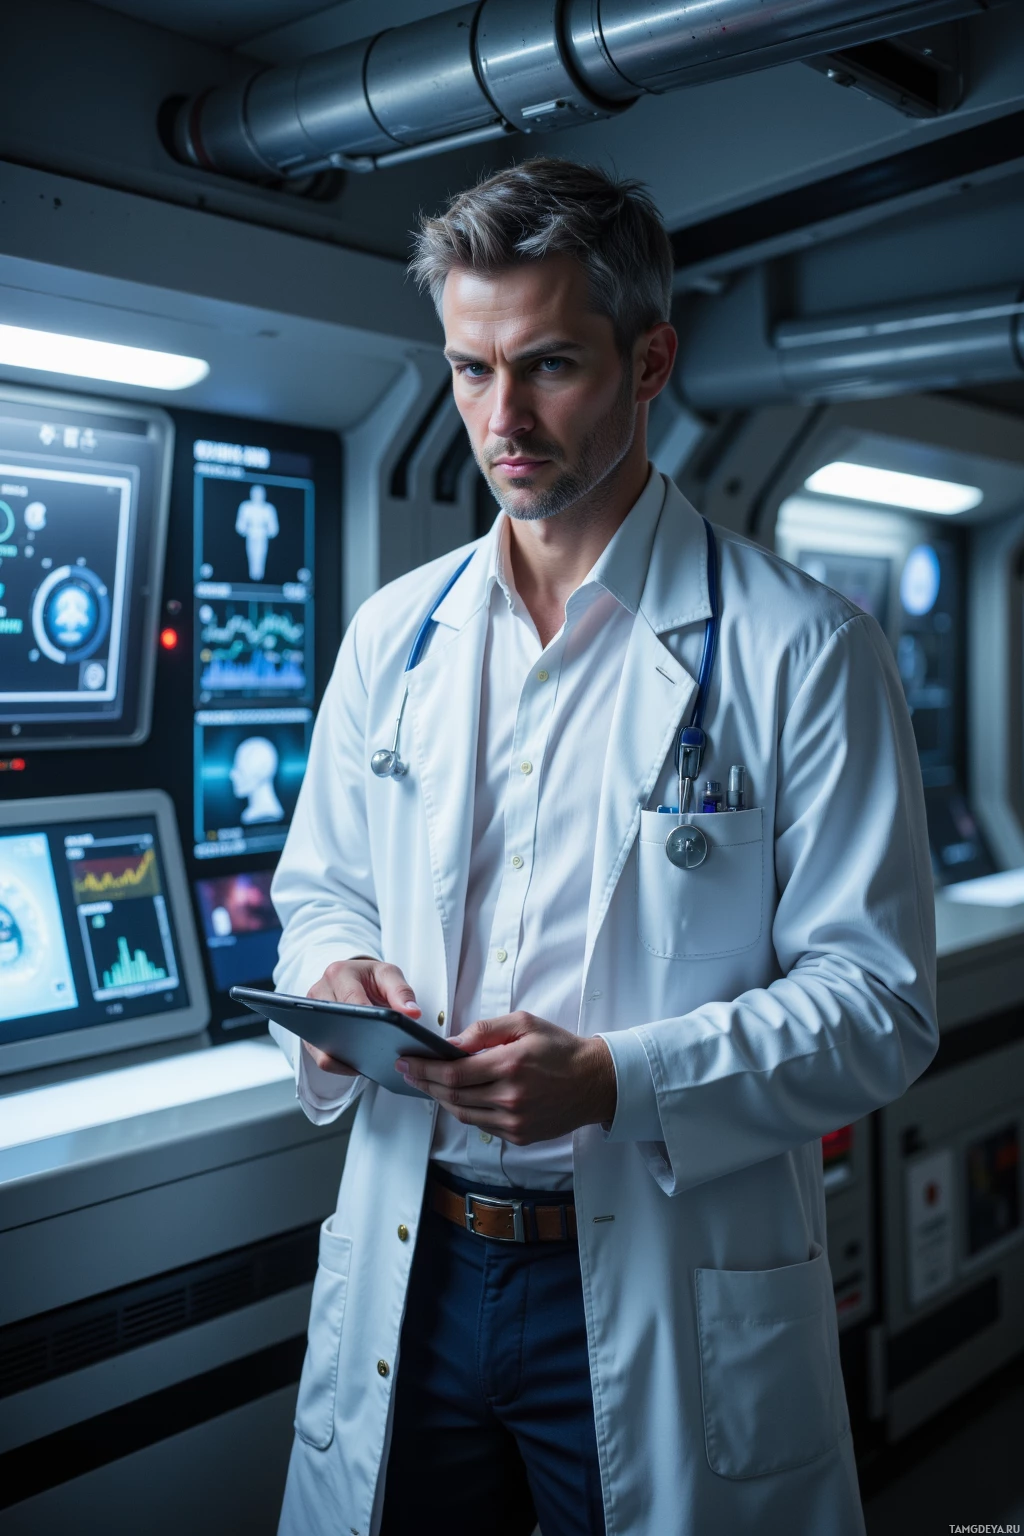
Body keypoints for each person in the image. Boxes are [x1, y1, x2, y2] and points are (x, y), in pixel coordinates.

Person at [269, 158, 937, 1536]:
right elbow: (323, 887)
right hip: (422, 1265)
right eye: (468, 370)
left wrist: (619, 1082)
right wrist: (333, 980)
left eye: (549, 366)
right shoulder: (393, 636)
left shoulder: (803, 650)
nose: (498, 419)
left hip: (656, 1277)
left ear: (651, 361)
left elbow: (878, 1006)